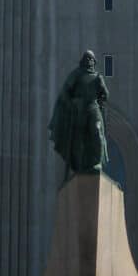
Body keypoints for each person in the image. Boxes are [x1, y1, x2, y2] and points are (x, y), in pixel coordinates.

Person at [48, 50, 109, 180]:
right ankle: (80, 165)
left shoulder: (98, 77)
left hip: (93, 108)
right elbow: (65, 92)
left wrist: (101, 100)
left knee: (97, 132)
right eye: (86, 58)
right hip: (79, 110)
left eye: (91, 59)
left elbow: (105, 94)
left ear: (94, 62)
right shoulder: (76, 74)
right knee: (79, 139)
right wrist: (71, 104)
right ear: (83, 61)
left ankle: (97, 163)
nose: (89, 61)